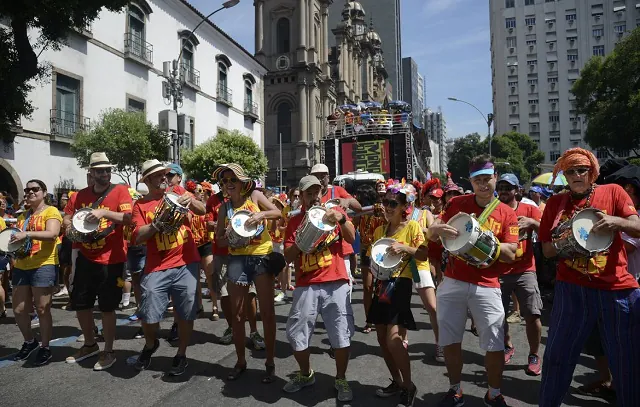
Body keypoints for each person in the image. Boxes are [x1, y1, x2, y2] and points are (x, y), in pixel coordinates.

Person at [538, 148, 640, 407]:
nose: (576, 175)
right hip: (572, 289)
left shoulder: (613, 192)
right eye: (570, 171)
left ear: (592, 172)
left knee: (626, 359)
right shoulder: (555, 204)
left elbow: (637, 227)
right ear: (564, 175)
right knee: (556, 356)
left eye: (582, 169)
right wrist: (567, 242)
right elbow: (547, 250)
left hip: (616, 287)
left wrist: (617, 222)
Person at [429, 155, 519, 407]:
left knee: (494, 342)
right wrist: (436, 230)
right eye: (477, 180)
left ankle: (493, 392)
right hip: (454, 280)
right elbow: (432, 233)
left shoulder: (506, 213)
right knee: (449, 338)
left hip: (487, 283)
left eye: (487, 179)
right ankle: (455, 390)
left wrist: (482, 240)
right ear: (470, 181)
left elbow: (512, 253)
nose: (482, 185)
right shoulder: (457, 203)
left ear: (495, 178)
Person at [283, 175, 356, 402]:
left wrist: (341, 220)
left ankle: (341, 378)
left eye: (317, 192)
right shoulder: (295, 222)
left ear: (322, 192)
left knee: (341, 334)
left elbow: (352, 238)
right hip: (307, 284)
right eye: (309, 193)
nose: (314, 197)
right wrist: (302, 241)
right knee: (297, 335)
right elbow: (287, 256)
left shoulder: (335, 213)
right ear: (302, 196)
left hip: (336, 280)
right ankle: (306, 374)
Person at [130, 159, 205, 375]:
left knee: (186, 311)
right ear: (148, 180)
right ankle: (151, 343)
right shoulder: (141, 205)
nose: (164, 177)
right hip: (157, 265)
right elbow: (137, 236)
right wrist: (156, 224)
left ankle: (181, 354)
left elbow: (202, 210)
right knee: (149, 314)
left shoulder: (178, 193)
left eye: (165, 174)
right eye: (158, 175)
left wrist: (190, 201)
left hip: (186, 262)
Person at [64, 153, 133, 371]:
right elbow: (67, 215)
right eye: (99, 170)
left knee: (107, 306)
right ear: (91, 173)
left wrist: (103, 211)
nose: (104, 174)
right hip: (85, 256)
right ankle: (90, 344)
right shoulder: (79, 195)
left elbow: (129, 218)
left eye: (107, 170)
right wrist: (68, 225)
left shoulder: (120, 191)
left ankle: (109, 350)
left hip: (111, 259)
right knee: (81, 303)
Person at [213, 163, 281, 383]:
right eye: (225, 181)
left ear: (242, 181)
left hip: (261, 256)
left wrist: (260, 216)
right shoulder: (224, 207)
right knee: (238, 315)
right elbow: (219, 239)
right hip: (237, 259)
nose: (229, 184)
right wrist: (229, 235)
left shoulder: (254, 195)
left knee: (268, 313)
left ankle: (269, 362)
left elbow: (277, 212)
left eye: (233, 179)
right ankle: (240, 362)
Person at [367, 181, 430, 406]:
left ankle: (409, 385)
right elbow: (373, 261)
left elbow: (423, 254)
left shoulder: (412, 227)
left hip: (400, 284)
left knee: (394, 340)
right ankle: (396, 381)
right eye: (386, 202)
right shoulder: (378, 231)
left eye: (394, 203)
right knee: (381, 338)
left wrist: (405, 248)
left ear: (405, 206)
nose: (388, 206)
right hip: (381, 285)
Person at [10, 180, 62, 366]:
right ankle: (30, 342)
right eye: (27, 190)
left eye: (35, 189)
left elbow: (53, 233)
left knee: (42, 309)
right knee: (19, 309)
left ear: (44, 192)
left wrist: (28, 234)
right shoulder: (23, 216)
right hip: (23, 265)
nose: (30, 192)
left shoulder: (51, 211)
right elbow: (17, 241)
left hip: (44, 264)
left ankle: (45, 347)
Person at [495, 174, 544, 376]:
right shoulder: (493, 209)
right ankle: (507, 346)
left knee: (533, 314)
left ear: (518, 190)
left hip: (525, 269)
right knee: (499, 315)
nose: (504, 190)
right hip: (499, 269)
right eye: (501, 186)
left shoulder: (530, 209)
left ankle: (534, 355)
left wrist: (532, 222)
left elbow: (548, 232)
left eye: (509, 187)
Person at [354, 184, 384, 334]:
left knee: (380, 287)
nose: (356, 198)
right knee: (367, 287)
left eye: (359, 196)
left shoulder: (379, 208)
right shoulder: (359, 211)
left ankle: (381, 317)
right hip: (365, 251)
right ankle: (368, 320)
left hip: (380, 251)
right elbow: (352, 226)